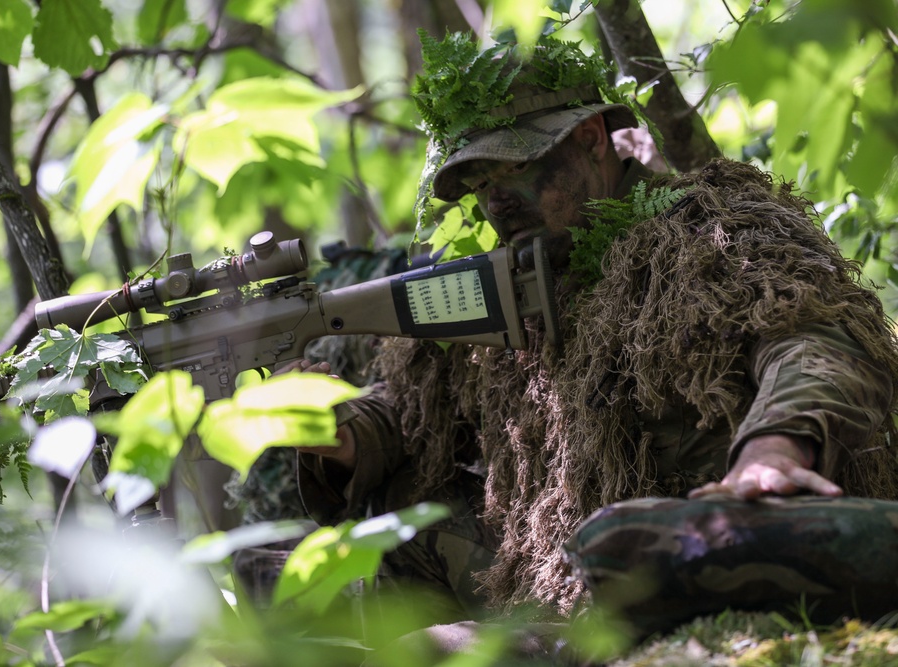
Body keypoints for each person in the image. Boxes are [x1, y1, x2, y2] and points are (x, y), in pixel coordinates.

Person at [291, 33, 898, 657]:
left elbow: (817, 339)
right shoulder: (509, 283)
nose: (497, 200)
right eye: (481, 180)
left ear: (590, 140)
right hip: (563, 586)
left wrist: (775, 450)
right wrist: (345, 435)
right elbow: (418, 405)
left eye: (519, 167)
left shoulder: (709, 231)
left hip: (707, 567)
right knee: (397, 533)